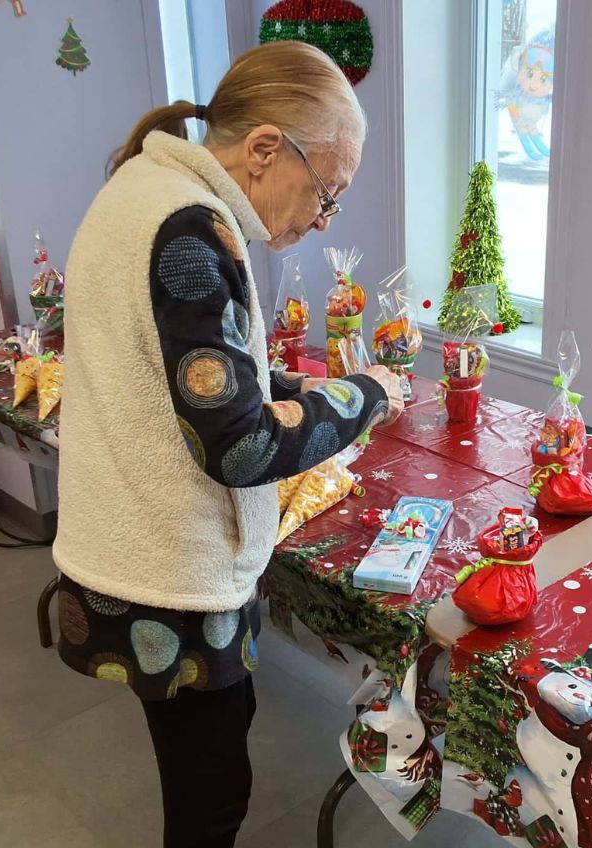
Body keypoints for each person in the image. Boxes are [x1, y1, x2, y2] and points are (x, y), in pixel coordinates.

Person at [52, 41, 406, 848]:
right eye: (327, 192)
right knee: (210, 803)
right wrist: (365, 397)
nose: (321, 219)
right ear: (265, 149)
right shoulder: (188, 228)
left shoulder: (142, 186)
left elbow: (188, 372)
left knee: (214, 755)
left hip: (125, 544)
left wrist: (291, 389)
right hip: (167, 570)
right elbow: (240, 448)